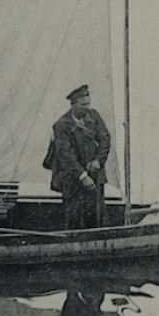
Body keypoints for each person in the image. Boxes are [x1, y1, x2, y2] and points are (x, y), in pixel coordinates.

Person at [46, 85, 112, 230]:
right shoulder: (61, 125)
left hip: (95, 176)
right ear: (73, 104)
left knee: (97, 215)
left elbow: (105, 139)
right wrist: (82, 176)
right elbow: (65, 155)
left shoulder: (94, 116)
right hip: (72, 180)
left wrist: (98, 161)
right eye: (83, 105)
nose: (86, 108)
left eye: (88, 104)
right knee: (74, 217)